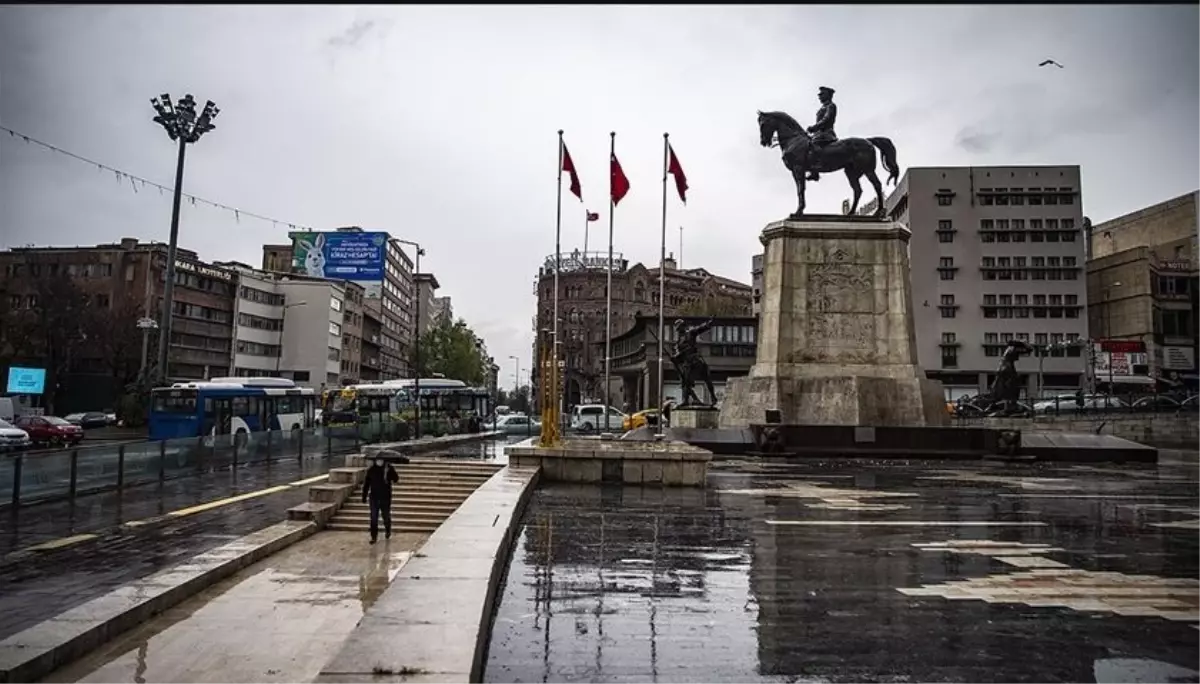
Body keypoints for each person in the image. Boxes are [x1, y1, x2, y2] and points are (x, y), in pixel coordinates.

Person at [361, 456, 400, 544]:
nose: (379, 461)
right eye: (378, 460)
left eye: (381, 460)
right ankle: (373, 537)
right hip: (374, 497)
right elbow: (366, 484)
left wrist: (390, 472)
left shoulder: (388, 468)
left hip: (385, 497)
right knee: (373, 518)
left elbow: (396, 479)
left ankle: (388, 530)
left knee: (385, 516)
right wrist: (364, 496)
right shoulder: (371, 470)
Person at [806, 86, 839, 182]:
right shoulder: (823, 107)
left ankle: (816, 169)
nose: (819, 96)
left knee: (813, 144)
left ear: (828, 95)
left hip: (826, 133)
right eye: (819, 95)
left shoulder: (831, 106)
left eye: (822, 94)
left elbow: (827, 119)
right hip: (819, 133)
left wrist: (814, 127)